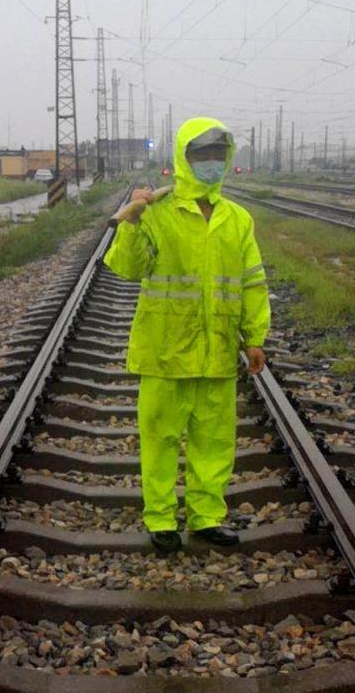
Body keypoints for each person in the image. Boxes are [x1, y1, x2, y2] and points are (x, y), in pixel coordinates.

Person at [104, 117, 271, 553]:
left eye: (218, 155)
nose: (211, 163)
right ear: (184, 157)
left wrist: (254, 337)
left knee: (214, 442)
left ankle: (206, 517)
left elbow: (253, 282)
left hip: (216, 352)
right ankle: (160, 519)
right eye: (202, 155)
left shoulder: (238, 220)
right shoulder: (158, 212)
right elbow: (128, 268)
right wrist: (133, 221)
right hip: (164, 351)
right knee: (159, 439)